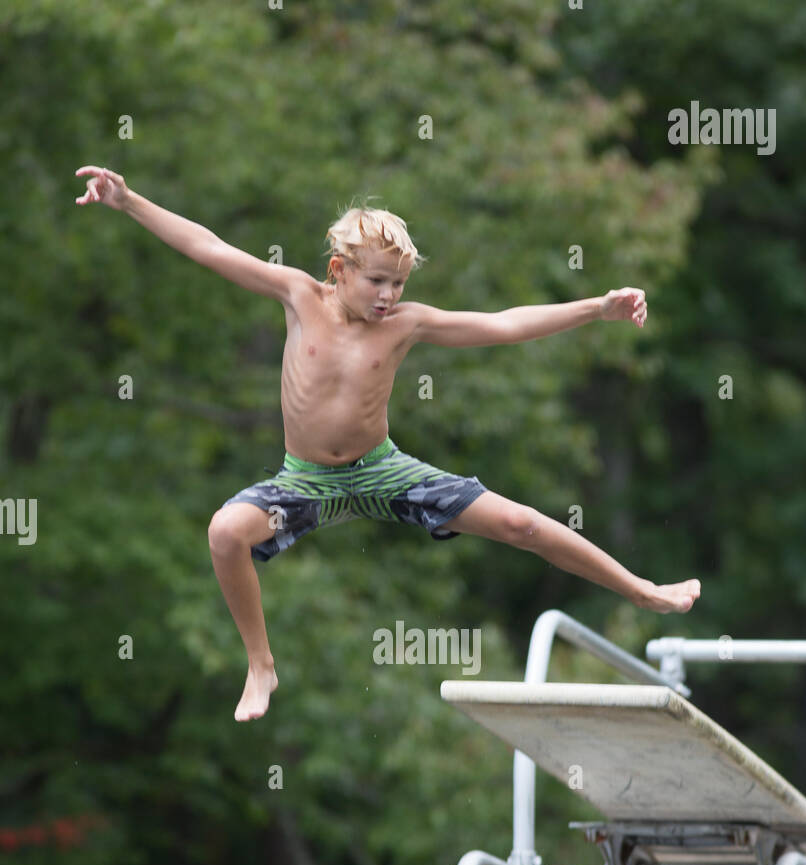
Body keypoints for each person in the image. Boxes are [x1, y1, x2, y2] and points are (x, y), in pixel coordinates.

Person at [75, 166, 700, 721]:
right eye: (376, 281)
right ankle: (260, 662)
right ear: (338, 271)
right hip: (305, 481)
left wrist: (598, 308)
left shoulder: (407, 324)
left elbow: (504, 324)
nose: (388, 297)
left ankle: (642, 589)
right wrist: (129, 202)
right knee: (224, 532)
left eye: (397, 284)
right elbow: (207, 247)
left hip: (383, 472)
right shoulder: (297, 296)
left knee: (522, 524)